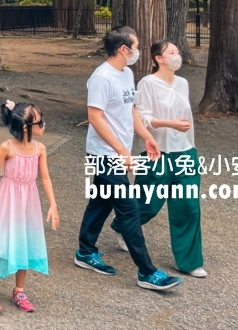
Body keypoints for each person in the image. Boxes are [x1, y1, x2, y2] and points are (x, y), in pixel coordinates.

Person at [75, 26, 181, 291]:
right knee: (129, 209)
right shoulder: (102, 78)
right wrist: (121, 151)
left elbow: (130, 108)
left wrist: (146, 136)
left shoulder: (126, 73)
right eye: (136, 47)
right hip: (104, 154)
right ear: (124, 49)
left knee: (100, 203)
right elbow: (95, 117)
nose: (138, 51)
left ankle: (85, 252)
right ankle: (147, 272)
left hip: (116, 152)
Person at [110, 40, 206, 278]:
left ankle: (189, 261)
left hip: (185, 152)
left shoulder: (183, 83)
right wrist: (169, 124)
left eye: (178, 52)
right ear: (159, 59)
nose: (177, 55)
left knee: (189, 207)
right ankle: (121, 225)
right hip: (156, 154)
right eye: (171, 52)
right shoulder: (147, 83)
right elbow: (140, 118)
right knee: (148, 205)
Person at [0, 101, 58, 314]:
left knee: (25, 240)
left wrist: (53, 204)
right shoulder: (7, 147)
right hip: (8, 201)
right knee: (2, 240)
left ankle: (19, 290)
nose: (44, 125)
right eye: (41, 121)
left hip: (29, 201)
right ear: (26, 127)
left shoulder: (40, 149)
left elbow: (45, 177)